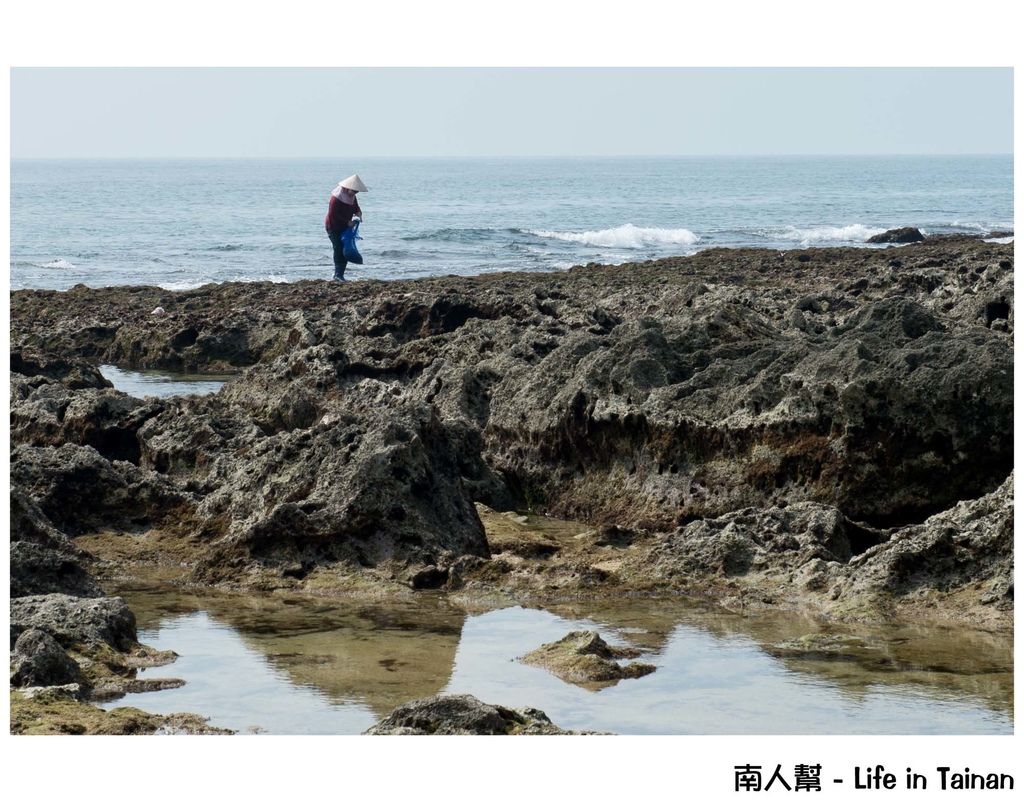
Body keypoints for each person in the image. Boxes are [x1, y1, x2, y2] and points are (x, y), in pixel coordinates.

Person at [325, 174, 367, 281]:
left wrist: (358, 212)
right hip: (333, 226)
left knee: (346, 248)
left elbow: (355, 207)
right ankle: (337, 275)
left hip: (345, 226)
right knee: (338, 248)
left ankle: (341, 274)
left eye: (356, 192)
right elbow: (333, 214)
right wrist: (347, 222)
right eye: (354, 191)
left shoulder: (352, 196)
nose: (355, 193)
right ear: (348, 188)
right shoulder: (336, 198)